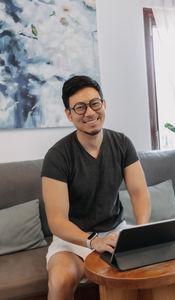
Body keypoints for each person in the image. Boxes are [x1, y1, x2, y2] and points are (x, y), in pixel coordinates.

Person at [41, 75, 151, 300]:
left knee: (125, 282)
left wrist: (141, 232)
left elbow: (139, 193)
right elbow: (57, 221)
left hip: (115, 233)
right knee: (60, 280)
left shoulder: (122, 144)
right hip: (73, 240)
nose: (90, 112)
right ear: (69, 114)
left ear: (104, 104)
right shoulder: (57, 156)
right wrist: (93, 240)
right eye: (80, 108)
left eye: (94, 103)